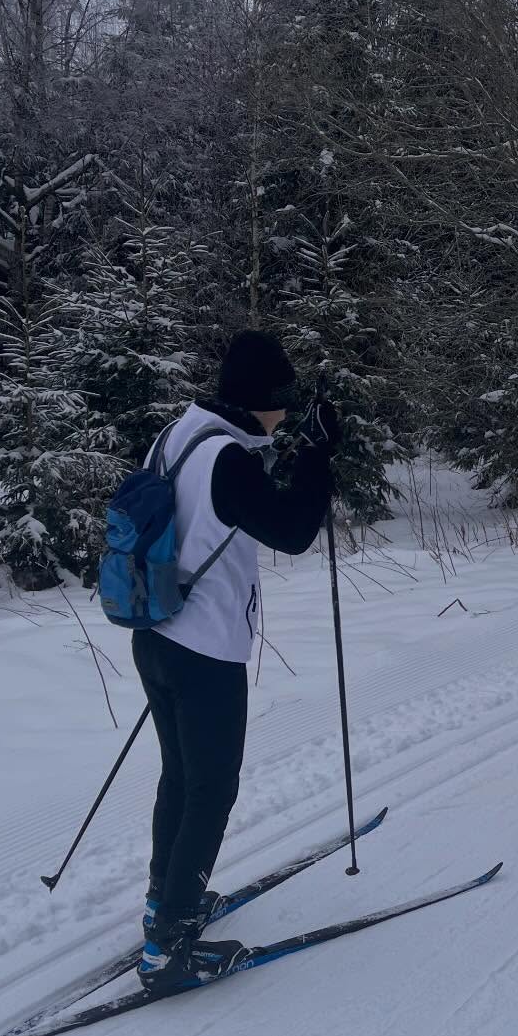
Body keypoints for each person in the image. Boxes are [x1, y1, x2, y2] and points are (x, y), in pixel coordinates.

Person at [133, 330, 338, 993]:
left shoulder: (180, 435)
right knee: (211, 787)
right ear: (262, 402)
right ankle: (168, 949)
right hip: (204, 650)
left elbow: (222, 510)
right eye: (282, 402)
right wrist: (320, 459)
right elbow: (293, 530)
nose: (286, 413)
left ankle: (167, 900)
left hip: (154, 633)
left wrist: (297, 458)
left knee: (180, 777)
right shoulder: (230, 459)